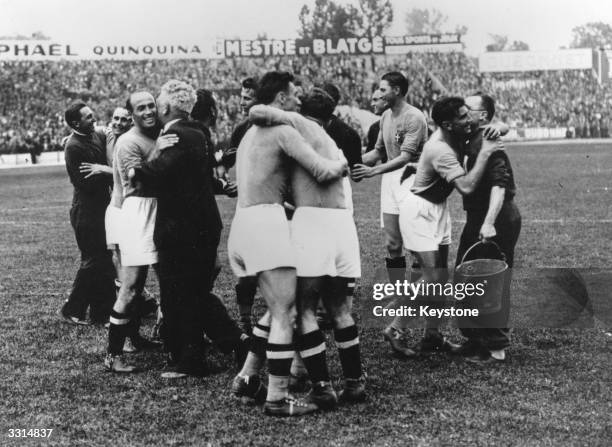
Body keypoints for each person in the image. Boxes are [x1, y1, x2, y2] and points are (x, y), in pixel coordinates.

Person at [227, 71, 347, 417]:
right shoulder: (282, 131)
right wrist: (342, 163)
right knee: (286, 314)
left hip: (244, 224)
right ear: (280, 98)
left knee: (277, 306)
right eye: (294, 95)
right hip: (266, 224)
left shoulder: (250, 133)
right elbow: (323, 171)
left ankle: (247, 377)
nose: (298, 100)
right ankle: (278, 399)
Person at [249, 88, 365, 410]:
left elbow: (257, 112)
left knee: (305, 311)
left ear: (302, 108)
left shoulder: (298, 124)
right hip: (342, 224)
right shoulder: (330, 139)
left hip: (312, 223)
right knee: (341, 310)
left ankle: (322, 388)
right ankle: (355, 383)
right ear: (330, 116)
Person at [131, 80, 244, 379]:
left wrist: (141, 166)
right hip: (204, 224)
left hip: (181, 228)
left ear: (166, 107)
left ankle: (192, 360)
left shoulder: (174, 135)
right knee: (196, 292)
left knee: (178, 294)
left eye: (157, 102)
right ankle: (235, 341)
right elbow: (201, 176)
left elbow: (154, 176)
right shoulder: (199, 131)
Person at [399, 96, 504, 354]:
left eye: (469, 114)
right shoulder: (441, 149)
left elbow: (499, 126)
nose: (469, 120)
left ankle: (432, 336)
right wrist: (487, 153)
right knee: (432, 277)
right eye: (463, 116)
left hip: (438, 209)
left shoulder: (455, 133)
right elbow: (467, 187)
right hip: (419, 210)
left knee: (440, 278)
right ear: (447, 124)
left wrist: (499, 128)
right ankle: (395, 327)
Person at [350, 72, 429, 357]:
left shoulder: (414, 118)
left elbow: (406, 157)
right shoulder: (384, 117)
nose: (379, 93)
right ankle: (400, 294)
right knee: (392, 245)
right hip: (390, 183)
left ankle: (409, 298)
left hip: (411, 181)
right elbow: (377, 152)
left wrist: (373, 170)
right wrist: (351, 163)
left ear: (397, 90)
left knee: (419, 250)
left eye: (383, 89)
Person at [453, 93, 521, 364]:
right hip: (477, 217)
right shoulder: (470, 136)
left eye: (468, 108)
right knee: (466, 278)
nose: (463, 111)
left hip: (496, 217)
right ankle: (475, 339)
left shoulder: (490, 141)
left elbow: (499, 185)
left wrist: (490, 222)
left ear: (482, 115)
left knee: (491, 281)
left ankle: (496, 347)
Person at [104, 92, 168, 373]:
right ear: (132, 114)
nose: (147, 111)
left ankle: (166, 333)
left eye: (150, 105)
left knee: (168, 279)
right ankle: (112, 354)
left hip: (159, 209)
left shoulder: (158, 134)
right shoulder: (128, 141)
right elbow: (137, 178)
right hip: (138, 212)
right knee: (131, 287)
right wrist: (160, 151)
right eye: (140, 108)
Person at [60, 102, 115, 325]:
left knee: (101, 259)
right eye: (89, 117)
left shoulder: (93, 134)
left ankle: (100, 312)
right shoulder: (73, 146)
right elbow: (86, 183)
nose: (94, 119)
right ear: (76, 123)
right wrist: (111, 173)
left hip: (100, 208)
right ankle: (72, 309)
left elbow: (106, 132)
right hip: (87, 211)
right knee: (94, 260)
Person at [365, 89, 388, 162]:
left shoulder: (401, 123)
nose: (372, 104)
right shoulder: (374, 128)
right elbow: (371, 157)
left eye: (375, 100)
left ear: (385, 101)